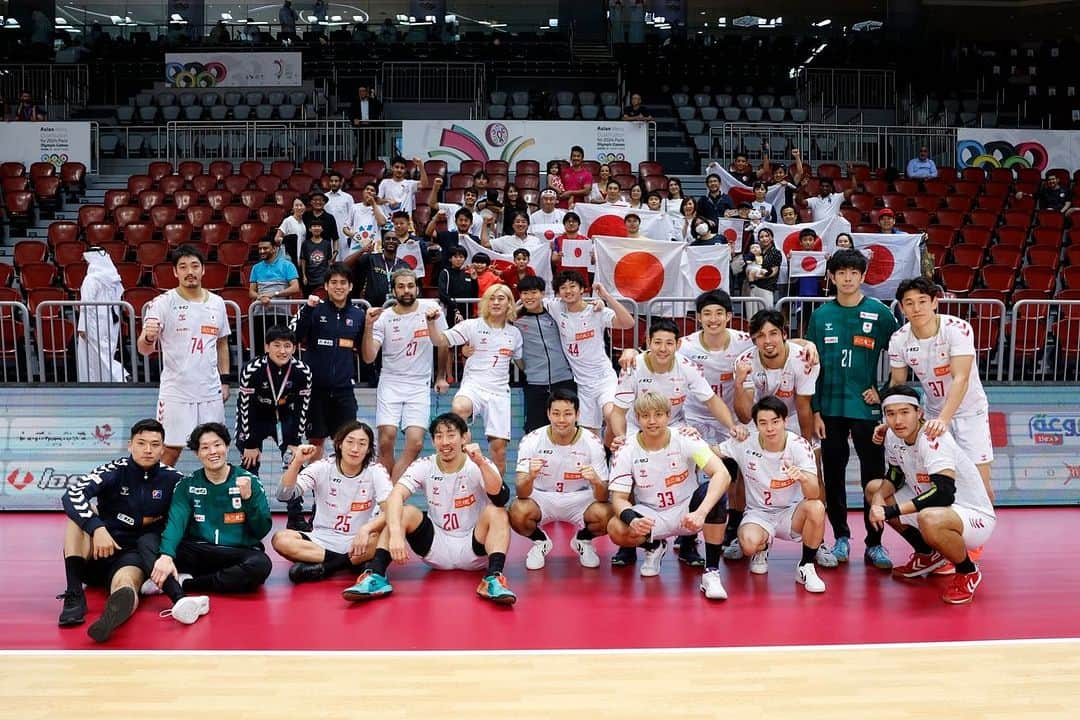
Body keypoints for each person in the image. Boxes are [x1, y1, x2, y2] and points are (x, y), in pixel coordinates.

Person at [341, 413, 517, 604]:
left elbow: (500, 496)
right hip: (436, 547)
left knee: (497, 511)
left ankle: (493, 578)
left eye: (451, 435)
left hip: (474, 547)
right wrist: (396, 534)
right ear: (433, 441)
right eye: (439, 436)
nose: (445, 442)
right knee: (404, 510)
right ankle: (375, 576)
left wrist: (481, 462)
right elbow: (396, 495)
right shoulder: (425, 465)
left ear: (464, 437)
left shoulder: (477, 463)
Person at [805, 249, 899, 568]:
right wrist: (815, 410)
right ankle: (841, 538)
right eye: (841, 272)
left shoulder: (880, 313)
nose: (847, 278)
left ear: (862, 276)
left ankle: (875, 543)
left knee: (873, 479)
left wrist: (884, 392)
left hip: (866, 411)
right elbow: (810, 367)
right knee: (833, 476)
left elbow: (901, 353)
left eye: (853, 273)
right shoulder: (820, 316)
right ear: (831, 276)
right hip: (829, 409)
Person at [57, 419, 184, 642]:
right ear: (130, 445)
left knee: (126, 584)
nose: (148, 449)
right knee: (77, 520)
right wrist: (97, 528)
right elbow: (72, 495)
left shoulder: (174, 479)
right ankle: (74, 594)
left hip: (133, 554)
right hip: (98, 549)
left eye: (155, 445)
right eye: (141, 443)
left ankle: (112, 616)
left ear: (163, 448)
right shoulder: (112, 470)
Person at [866, 387, 995, 604]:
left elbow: (943, 494)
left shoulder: (933, 439)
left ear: (920, 412)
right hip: (932, 505)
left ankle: (967, 571)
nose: (898, 420)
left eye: (905, 412)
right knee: (873, 488)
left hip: (971, 514)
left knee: (929, 517)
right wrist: (878, 499)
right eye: (891, 414)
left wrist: (890, 511)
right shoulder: (892, 435)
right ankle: (928, 555)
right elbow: (895, 475)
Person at [606, 393, 733, 598]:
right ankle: (654, 545)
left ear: (668, 415)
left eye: (658, 415)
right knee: (615, 528)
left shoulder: (685, 438)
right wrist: (632, 520)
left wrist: (701, 512)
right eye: (645, 415)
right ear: (637, 418)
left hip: (688, 510)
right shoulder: (626, 450)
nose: (652, 421)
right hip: (651, 513)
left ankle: (711, 572)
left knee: (716, 493)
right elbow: (619, 498)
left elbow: (722, 474)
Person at [149, 423, 273, 624]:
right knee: (150, 541)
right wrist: (166, 556)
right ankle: (213, 579)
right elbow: (175, 523)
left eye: (217, 445)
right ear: (197, 453)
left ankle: (186, 583)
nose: (212, 452)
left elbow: (261, 530)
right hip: (198, 551)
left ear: (226, 447)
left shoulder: (249, 481)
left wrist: (248, 499)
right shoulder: (187, 485)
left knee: (260, 565)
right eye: (205, 447)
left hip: (235, 553)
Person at [887, 277, 995, 499]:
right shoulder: (899, 339)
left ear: (935, 302)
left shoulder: (958, 329)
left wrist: (944, 420)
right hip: (934, 413)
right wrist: (888, 421)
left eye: (922, 301)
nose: (916, 308)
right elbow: (897, 385)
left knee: (981, 487)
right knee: (939, 483)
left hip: (969, 412)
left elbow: (961, 378)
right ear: (902, 307)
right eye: (909, 303)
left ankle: (983, 528)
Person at [714, 397, 828, 593]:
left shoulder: (799, 445)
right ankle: (762, 547)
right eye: (763, 423)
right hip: (758, 513)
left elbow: (814, 493)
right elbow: (711, 452)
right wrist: (686, 438)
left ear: (784, 421)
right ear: (756, 425)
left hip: (791, 513)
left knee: (816, 507)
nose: (770, 428)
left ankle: (806, 566)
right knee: (748, 545)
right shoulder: (745, 442)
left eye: (775, 421)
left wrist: (801, 478)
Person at [138, 245, 231, 468]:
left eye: (195, 266)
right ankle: (157, 498)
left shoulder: (217, 303)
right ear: (175, 272)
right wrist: (149, 338)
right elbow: (144, 349)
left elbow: (222, 343)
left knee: (214, 449)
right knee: (170, 449)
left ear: (203, 270)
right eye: (183, 267)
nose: (190, 271)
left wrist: (225, 380)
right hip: (176, 391)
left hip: (209, 391)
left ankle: (212, 498)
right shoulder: (163, 303)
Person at [271, 423, 391, 582]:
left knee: (391, 531)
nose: (355, 448)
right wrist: (297, 462)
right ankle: (349, 562)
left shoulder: (376, 470)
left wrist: (366, 530)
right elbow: (284, 495)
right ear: (339, 444)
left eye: (362, 444)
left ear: (368, 449)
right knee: (281, 539)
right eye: (350, 442)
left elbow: (391, 510)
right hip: (322, 539)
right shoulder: (322, 467)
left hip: (361, 540)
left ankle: (326, 567)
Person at [426, 284, 523, 476]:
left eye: (501, 298)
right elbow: (440, 341)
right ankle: (467, 463)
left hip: (499, 392)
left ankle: (495, 498)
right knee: (459, 407)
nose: (496, 302)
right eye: (492, 298)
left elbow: (521, 363)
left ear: (509, 303)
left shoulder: (515, 334)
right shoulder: (471, 326)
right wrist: (431, 322)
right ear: (486, 302)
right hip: (474, 386)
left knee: (499, 452)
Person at [362, 269, 450, 479]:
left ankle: (391, 492)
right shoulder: (384, 318)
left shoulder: (431, 308)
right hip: (391, 381)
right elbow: (368, 357)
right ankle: (389, 497)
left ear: (417, 287)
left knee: (416, 442)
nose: (406, 290)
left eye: (410, 285)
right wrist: (368, 327)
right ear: (393, 291)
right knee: (386, 439)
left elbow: (443, 343)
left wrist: (441, 376)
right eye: (401, 286)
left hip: (419, 384)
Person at [512, 389, 612, 569]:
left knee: (606, 514)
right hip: (542, 497)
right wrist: (530, 477)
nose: (561, 420)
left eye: (568, 414)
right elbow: (521, 491)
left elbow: (603, 496)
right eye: (556, 413)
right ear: (548, 414)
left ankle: (583, 540)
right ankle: (540, 542)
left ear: (577, 415)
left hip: (579, 498)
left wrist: (596, 481)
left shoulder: (593, 442)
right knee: (518, 512)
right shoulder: (531, 440)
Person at [612, 318, 746, 442]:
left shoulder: (687, 367)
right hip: (637, 426)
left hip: (673, 425)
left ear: (678, 344)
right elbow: (618, 412)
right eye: (657, 343)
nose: (663, 349)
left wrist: (732, 426)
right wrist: (622, 438)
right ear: (649, 342)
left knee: (695, 444)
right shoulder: (632, 367)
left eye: (669, 343)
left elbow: (712, 401)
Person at [235, 324, 312, 529]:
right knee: (249, 463)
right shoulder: (252, 369)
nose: (282, 351)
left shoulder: (303, 372)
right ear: (267, 347)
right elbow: (245, 405)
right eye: (276, 345)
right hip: (255, 416)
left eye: (287, 346)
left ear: (294, 348)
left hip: (284, 415)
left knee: (294, 461)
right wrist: (250, 442)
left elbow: (302, 408)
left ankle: (295, 517)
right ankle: (250, 515)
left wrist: (295, 441)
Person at [292, 263, 366, 460]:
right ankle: (318, 489)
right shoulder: (314, 310)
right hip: (316, 389)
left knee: (347, 441)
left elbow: (365, 351)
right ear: (326, 286)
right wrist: (307, 310)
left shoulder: (359, 315)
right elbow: (295, 338)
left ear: (351, 286)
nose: (338, 286)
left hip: (344, 390)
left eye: (343, 282)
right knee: (316, 441)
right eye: (333, 282)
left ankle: (343, 487)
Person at [547, 271, 636, 433]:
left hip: (604, 379)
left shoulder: (596, 311)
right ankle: (603, 457)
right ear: (558, 292)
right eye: (563, 287)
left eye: (572, 286)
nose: (568, 291)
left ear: (582, 289)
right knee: (590, 436)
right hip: (582, 385)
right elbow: (532, 301)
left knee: (611, 415)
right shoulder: (555, 307)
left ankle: (621, 450)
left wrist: (606, 297)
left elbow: (628, 323)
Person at [734, 310, 819, 441]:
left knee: (813, 452)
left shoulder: (804, 360)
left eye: (773, 333)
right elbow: (745, 417)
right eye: (761, 335)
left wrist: (806, 446)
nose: (767, 341)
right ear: (754, 340)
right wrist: (739, 385)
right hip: (758, 417)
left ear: (784, 334)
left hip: (791, 416)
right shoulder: (744, 362)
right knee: (742, 442)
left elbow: (803, 408)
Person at [514, 275, 577, 433]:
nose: (529, 297)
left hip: (564, 380)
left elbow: (578, 306)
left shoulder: (555, 315)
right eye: (525, 293)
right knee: (535, 430)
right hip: (535, 383)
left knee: (567, 427)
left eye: (534, 292)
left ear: (542, 293)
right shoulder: (516, 322)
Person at [76, 246, 128, 383]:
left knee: (97, 356)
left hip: (93, 323)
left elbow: (87, 304)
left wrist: (83, 326)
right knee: (104, 354)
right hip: (110, 322)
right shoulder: (113, 278)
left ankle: (120, 376)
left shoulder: (91, 279)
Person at [249, 236, 301, 351]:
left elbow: (295, 288)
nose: (262, 251)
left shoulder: (287, 265)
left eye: (265, 248)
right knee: (261, 349)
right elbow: (251, 292)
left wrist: (274, 294)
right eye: (260, 249)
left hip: (281, 314)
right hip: (260, 314)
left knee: (281, 348)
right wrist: (260, 296)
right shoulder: (256, 268)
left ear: (274, 248)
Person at [346, 231, 409, 308]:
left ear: (398, 243)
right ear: (382, 243)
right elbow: (346, 264)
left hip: (395, 309)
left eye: (394, 239)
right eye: (387, 239)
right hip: (371, 309)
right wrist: (362, 250)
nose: (391, 241)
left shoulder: (404, 265)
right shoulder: (371, 258)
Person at [339, 181, 387, 261]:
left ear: (375, 195)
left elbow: (382, 223)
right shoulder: (354, 207)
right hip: (356, 248)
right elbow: (345, 228)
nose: (369, 191)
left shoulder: (379, 208)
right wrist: (352, 234)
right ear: (363, 192)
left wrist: (374, 204)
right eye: (367, 189)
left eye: (372, 190)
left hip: (374, 249)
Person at [437, 245, 479, 323]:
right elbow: (442, 293)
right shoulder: (445, 273)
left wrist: (474, 280)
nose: (458, 259)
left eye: (461, 257)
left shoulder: (467, 274)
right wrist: (455, 308)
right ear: (450, 258)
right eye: (455, 257)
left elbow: (474, 295)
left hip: (466, 313)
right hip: (450, 312)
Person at [746, 227, 782, 309]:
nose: (764, 239)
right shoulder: (757, 251)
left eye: (767, 236)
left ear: (771, 238)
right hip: (753, 287)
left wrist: (758, 276)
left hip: (766, 288)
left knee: (766, 315)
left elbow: (774, 271)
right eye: (761, 237)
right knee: (753, 316)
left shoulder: (775, 252)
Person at [298, 218, 332, 295]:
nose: (316, 228)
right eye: (314, 226)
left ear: (322, 229)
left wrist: (329, 276)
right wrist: (304, 276)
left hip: (322, 278)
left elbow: (329, 262)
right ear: (310, 229)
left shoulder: (327, 244)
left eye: (319, 226)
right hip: (309, 279)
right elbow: (303, 260)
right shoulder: (305, 244)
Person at [350, 85, 383, 163]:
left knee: (373, 149)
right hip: (361, 128)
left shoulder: (372, 101)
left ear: (366, 92)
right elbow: (351, 113)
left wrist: (373, 97)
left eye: (363, 91)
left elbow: (380, 108)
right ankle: (361, 168)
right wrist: (354, 119)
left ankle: (373, 167)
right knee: (361, 149)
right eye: (360, 91)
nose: (361, 93)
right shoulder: (355, 102)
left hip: (372, 127)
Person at [275, 197, 308, 266]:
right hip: (289, 257)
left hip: (301, 258)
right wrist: (287, 241)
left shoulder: (304, 222)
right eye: (296, 205)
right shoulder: (288, 220)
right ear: (292, 208)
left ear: (305, 207)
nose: (299, 208)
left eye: (301, 205)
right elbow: (276, 239)